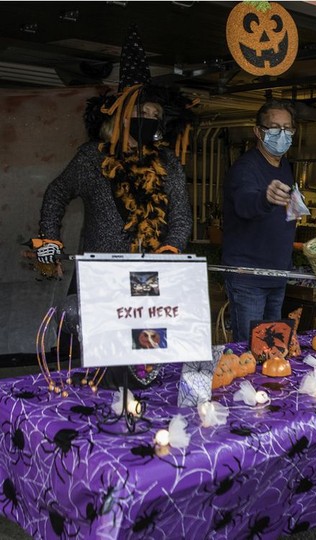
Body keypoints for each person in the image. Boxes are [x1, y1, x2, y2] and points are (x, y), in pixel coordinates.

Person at [31, 25, 194, 389]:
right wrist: (49, 243)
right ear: (119, 115)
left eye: (154, 113)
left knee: (143, 365)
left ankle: (140, 421)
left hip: (149, 281)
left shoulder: (168, 163)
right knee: (96, 368)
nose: (149, 118)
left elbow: (181, 215)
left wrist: (171, 249)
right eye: (142, 111)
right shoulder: (92, 158)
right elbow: (57, 193)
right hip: (98, 278)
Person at [222, 100, 297, 342]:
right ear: (258, 131)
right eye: (275, 128)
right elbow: (245, 203)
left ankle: (270, 381)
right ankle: (246, 382)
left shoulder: (284, 165)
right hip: (248, 276)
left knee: (272, 347)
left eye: (287, 129)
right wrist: (265, 199)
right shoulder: (246, 168)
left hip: (277, 274)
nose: (282, 135)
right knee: (250, 347)